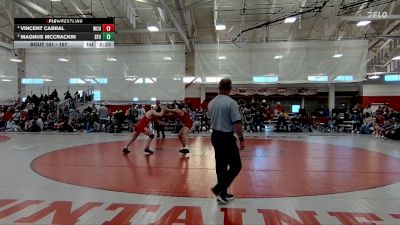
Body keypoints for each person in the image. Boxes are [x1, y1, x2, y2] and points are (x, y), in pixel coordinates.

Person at [208, 78, 245, 204]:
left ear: (219, 87)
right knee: (236, 165)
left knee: (221, 165)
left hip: (215, 136)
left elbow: (210, 119)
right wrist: (241, 139)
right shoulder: (231, 103)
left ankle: (222, 194)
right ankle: (219, 189)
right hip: (226, 137)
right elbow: (237, 124)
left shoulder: (211, 103)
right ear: (230, 88)